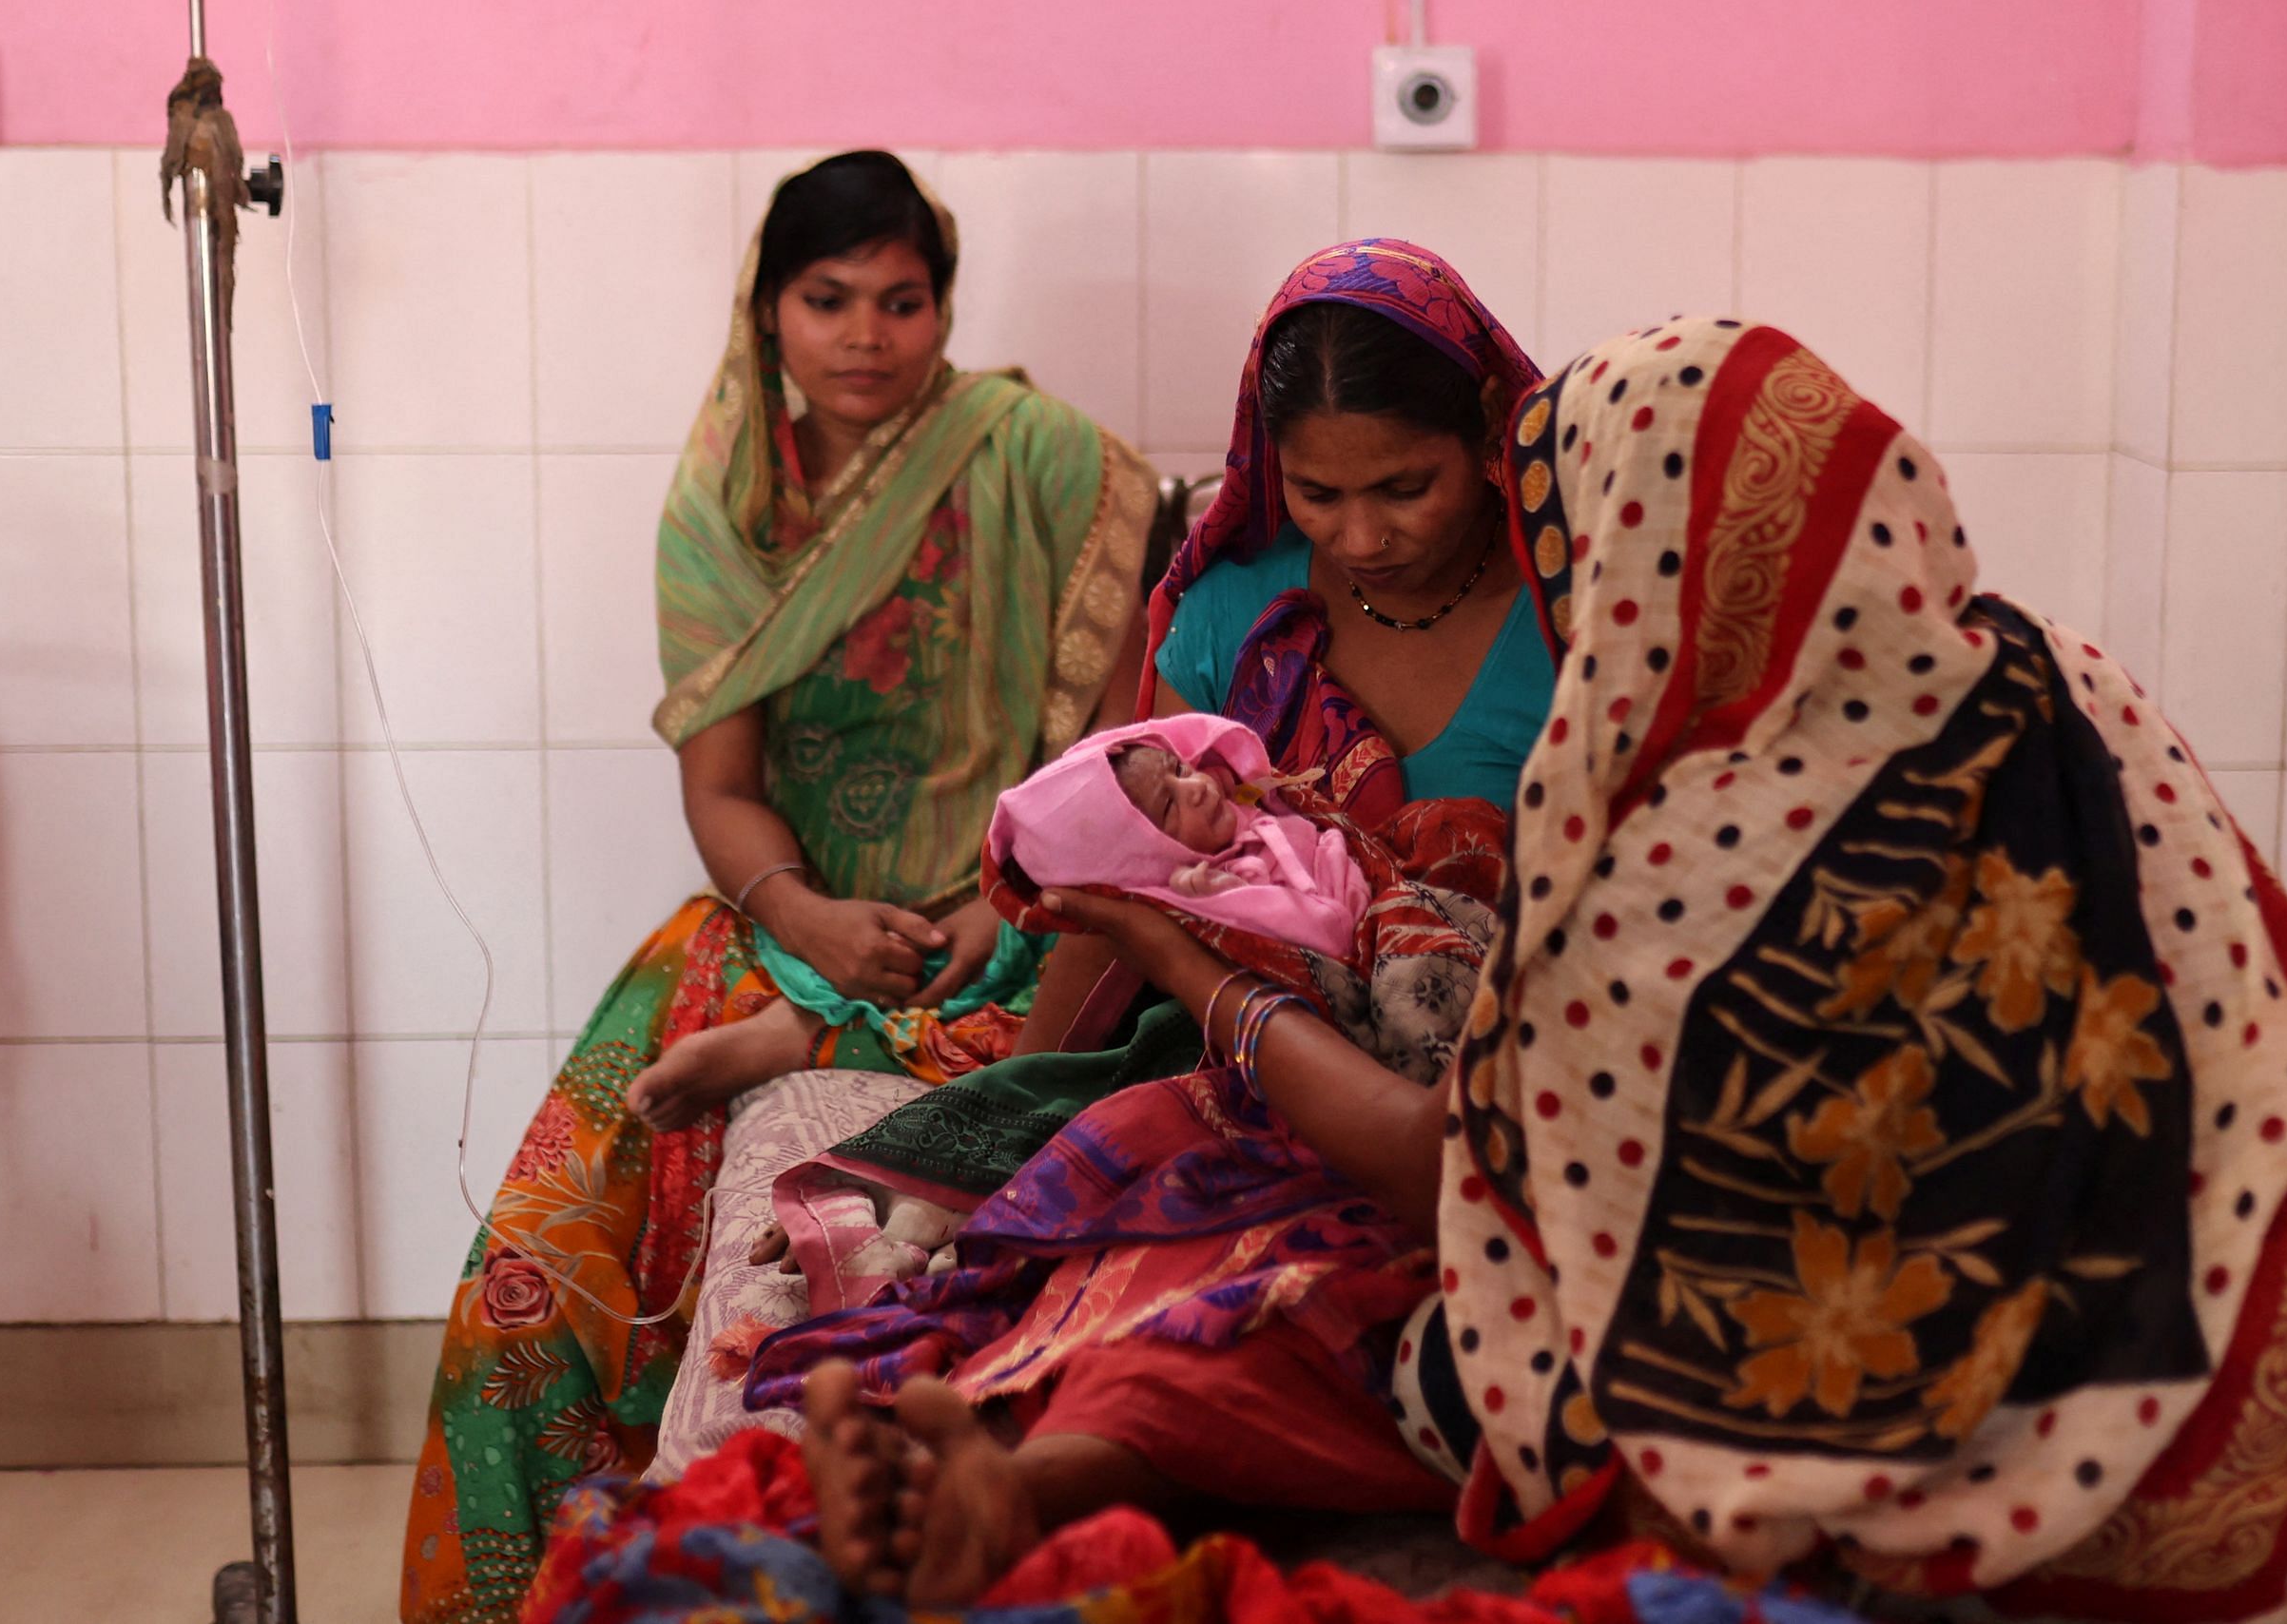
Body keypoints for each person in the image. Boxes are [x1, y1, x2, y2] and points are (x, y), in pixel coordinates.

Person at [760, 318, 2287, 1621]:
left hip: (2055, 1453)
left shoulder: (1684, 861)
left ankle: (1043, 1476)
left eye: (1567, 556)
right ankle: (1043, 1468)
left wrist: (1189, 963)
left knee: (1401, 1326)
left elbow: (1460, 1170)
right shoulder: (2045, 684)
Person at [400, 152, 1158, 1624]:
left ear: (942, 308)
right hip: (784, 916)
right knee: (532, 1276)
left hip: (1028, 905)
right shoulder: (725, 514)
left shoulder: (1042, 457)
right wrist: (803, 919)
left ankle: (823, 1047)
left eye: (902, 299)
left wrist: (1013, 899)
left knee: (1102, 1037)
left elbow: (1121, 737)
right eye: (828, 300)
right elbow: (723, 782)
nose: (867, 334)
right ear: (767, 312)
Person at [791, 236, 1552, 1216]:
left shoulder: (1573, 618)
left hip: (1480, 1072)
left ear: (1488, 428)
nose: (1362, 538)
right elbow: (1129, 875)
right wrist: (979, 1137)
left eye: (1405, 488)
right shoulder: (1233, 605)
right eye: (1319, 493)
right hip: (1231, 1059)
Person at [992, 714, 1372, 960]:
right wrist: (1226, 896)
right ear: (1144, 858)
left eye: (1180, 768)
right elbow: (1333, 937)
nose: (1196, 789)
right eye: (1169, 807)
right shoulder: (1204, 896)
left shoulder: (1235, 794)